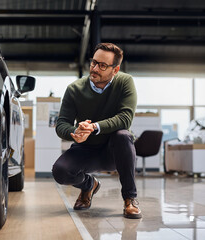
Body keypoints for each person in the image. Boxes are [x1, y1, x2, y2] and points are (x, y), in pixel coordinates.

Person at [52, 43, 141, 219]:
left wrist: (93, 127)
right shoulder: (74, 89)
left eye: (102, 66)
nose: (95, 68)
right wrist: (74, 132)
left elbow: (125, 118)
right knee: (60, 172)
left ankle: (130, 198)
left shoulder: (125, 82)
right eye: (94, 62)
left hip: (114, 151)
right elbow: (61, 124)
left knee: (123, 135)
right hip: (86, 149)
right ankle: (89, 185)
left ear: (115, 70)